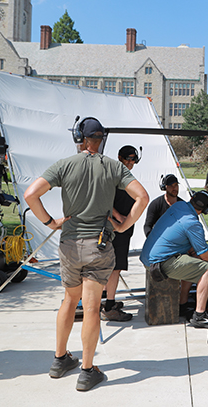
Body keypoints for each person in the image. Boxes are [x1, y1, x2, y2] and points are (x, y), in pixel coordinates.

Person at [24, 118, 148, 391]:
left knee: (69, 301)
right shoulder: (114, 167)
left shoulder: (64, 165)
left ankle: (59, 360)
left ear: (79, 138)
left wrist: (51, 222)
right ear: (101, 139)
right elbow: (143, 197)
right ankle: (87, 371)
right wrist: (125, 224)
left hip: (69, 244)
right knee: (92, 307)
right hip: (100, 244)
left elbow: (31, 194)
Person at [140, 191, 208, 327]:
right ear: (205, 210)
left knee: (191, 259)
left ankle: (182, 304)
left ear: (191, 199)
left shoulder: (178, 206)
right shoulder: (192, 223)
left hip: (148, 256)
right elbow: (205, 255)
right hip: (158, 264)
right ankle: (199, 316)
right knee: (207, 268)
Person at [101, 145, 142, 322]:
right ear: (120, 157)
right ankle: (108, 306)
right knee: (114, 268)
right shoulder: (114, 177)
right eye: (128, 158)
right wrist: (119, 219)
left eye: (134, 159)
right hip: (113, 230)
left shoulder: (127, 178)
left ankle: (106, 300)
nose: (130, 162)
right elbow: (104, 201)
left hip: (123, 231)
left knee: (114, 267)